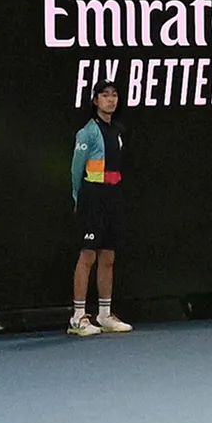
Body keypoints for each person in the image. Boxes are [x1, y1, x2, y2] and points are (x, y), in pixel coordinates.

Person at [67, 82, 134, 337]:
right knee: (88, 256)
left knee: (109, 257)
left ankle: (104, 314)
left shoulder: (117, 130)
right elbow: (76, 169)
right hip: (92, 196)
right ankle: (78, 317)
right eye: (105, 95)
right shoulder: (87, 133)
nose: (110, 100)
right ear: (95, 101)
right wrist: (78, 197)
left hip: (113, 197)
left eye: (114, 95)